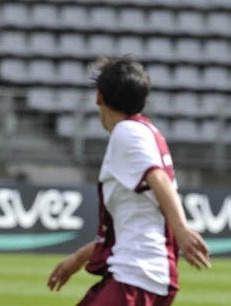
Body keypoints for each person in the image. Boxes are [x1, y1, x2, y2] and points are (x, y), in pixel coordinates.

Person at [46, 56, 210, 306]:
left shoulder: (126, 133)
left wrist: (181, 229)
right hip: (138, 274)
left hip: (137, 275)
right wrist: (77, 259)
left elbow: (158, 177)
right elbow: (131, 225)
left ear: (98, 97)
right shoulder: (143, 132)